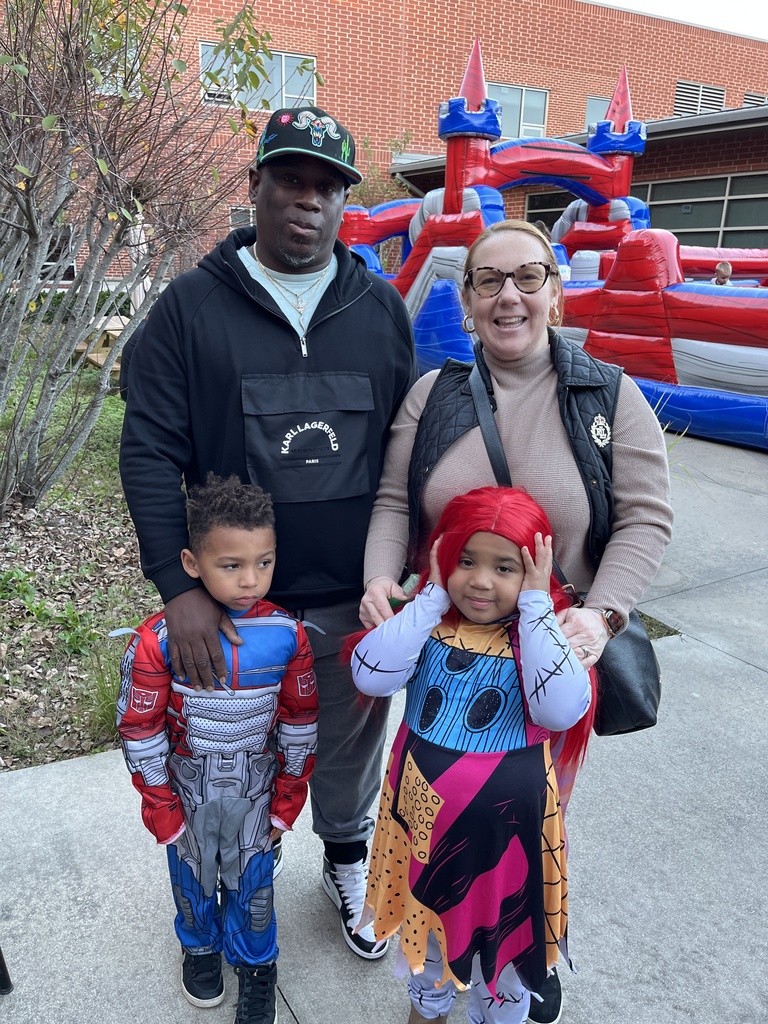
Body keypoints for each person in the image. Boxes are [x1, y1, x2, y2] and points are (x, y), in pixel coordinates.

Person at [119, 104, 417, 962]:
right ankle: (214, 893)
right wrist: (178, 591)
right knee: (224, 767)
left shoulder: (379, 309)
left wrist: (408, 577)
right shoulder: (188, 309)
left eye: (327, 187)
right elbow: (147, 453)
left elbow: (409, 445)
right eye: (290, 179)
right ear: (254, 186)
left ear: (343, 203)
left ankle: (347, 857)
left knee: (351, 744)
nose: (308, 201)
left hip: (351, 597)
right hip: (235, 612)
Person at [359, 219, 674, 1023]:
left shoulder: (608, 395)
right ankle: (436, 949)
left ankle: (518, 947)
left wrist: (603, 615)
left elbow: (645, 518)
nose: (509, 297)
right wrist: (378, 580)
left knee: (532, 813)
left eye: (528, 277)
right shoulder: (434, 397)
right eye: (489, 280)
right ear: (466, 301)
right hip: (448, 647)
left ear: (555, 291)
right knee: (438, 801)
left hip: (552, 651)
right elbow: (397, 500)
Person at [350, 486, 594, 1024]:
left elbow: (559, 710)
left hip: (508, 846)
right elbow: (370, 671)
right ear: (442, 556)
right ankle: (428, 1010)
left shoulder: (540, 641)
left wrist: (535, 607)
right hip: (422, 831)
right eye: (465, 561)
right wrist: (430, 597)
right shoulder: (428, 629)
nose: (481, 580)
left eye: (506, 567)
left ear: (534, 572)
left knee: (502, 956)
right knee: (428, 938)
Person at [116, 474, 319, 1024]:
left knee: (253, 887)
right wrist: (161, 808)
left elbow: (300, 724)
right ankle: (199, 949)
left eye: (264, 562)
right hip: (185, 790)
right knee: (190, 877)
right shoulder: (158, 638)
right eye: (231, 565)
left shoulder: (288, 634)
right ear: (190, 562)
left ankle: (258, 966)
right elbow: (139, 729)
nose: (250, 580)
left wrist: (285, 804)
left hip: (255, 791)